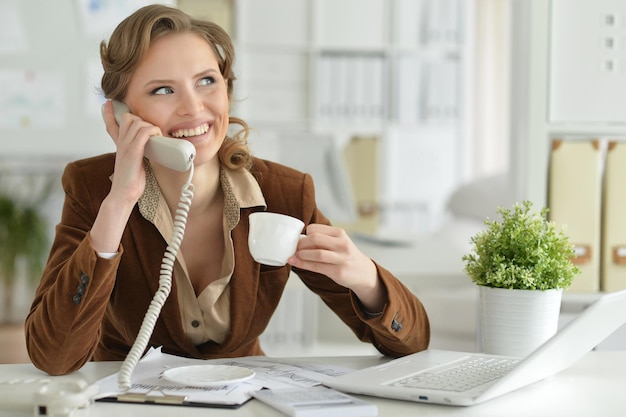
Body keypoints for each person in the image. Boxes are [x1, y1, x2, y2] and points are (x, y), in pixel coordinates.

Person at [24, 4, 430, 376]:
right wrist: (119, 204)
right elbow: (53, 357)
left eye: (206, 81)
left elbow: (413, 343)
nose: (193, 108)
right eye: (162, 90)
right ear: (121, 115)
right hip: (128, 397)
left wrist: (366, 280)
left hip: (247, 396)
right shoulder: (93, 189)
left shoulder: (285, 192)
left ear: (227, 89)